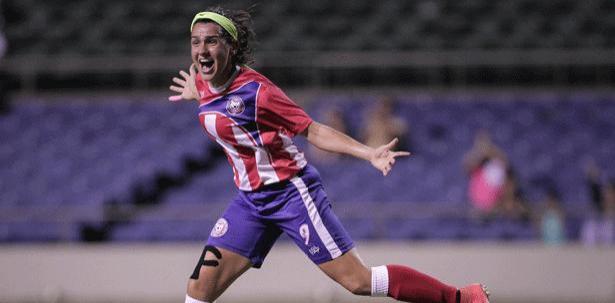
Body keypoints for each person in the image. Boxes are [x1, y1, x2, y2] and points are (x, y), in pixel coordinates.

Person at [169, 7, 489, 303]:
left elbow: (314, 130)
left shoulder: (258, 92)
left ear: (232, 47)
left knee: (359, 281)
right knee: (199, 287)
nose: (201, 50)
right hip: (250, 201)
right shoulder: (203, 80)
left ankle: (461, 297)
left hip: (290, 193)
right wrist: (196, 92)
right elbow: (218, 104)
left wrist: (368, 153)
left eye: (211, 41)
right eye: (195, 42)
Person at [463, 129, 508, 217]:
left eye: (485, 144)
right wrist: (479, 154)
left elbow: (505, 165)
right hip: (477, 206)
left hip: (495, 206)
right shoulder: (476, 163)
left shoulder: (497, 163)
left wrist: (491, 152)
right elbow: (467, 167)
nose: (483, 148)